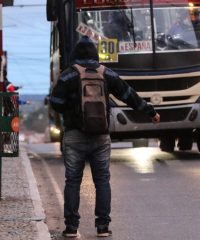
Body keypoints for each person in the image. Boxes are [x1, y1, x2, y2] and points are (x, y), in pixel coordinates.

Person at [50, 36, 160, 238]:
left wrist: (72, 111)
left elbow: (56, 102)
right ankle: (102, 227)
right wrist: (150, 111)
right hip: (101, 137)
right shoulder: (106, 73)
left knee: (73, 181)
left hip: (74, 136)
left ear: (76, 54)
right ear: (95, 54)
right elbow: (128, 94)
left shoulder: (67, 75)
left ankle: (72, 228)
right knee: (102, 181)